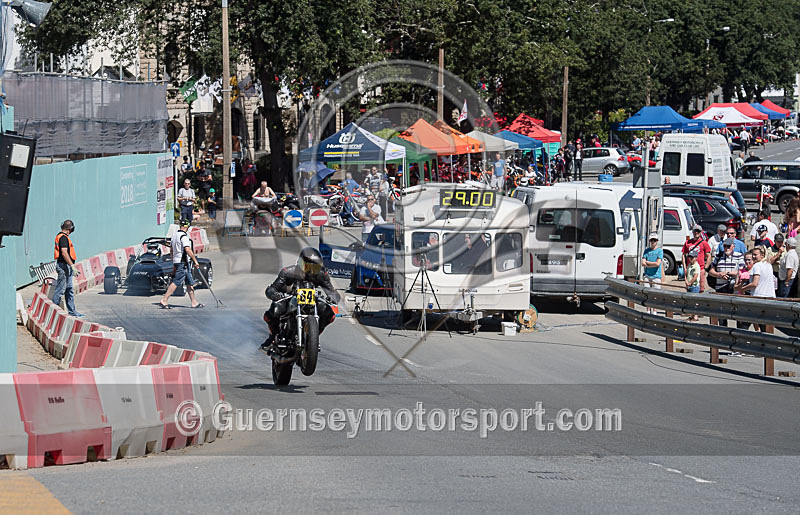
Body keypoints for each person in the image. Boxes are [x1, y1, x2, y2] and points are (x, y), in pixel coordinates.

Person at [260, 247, 340, 352]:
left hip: (312, 301)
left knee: (329, 314)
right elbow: (272, 288)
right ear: (300, 263)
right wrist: (275, 294)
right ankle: (273, 337)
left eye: (314, 268)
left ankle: (313, 337)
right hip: (290, 299)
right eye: (307, 267)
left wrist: (332, 298)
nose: (310, 271)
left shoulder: (321, 275)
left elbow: (333, 292)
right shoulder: (287, 272)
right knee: (276, 309)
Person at [159, 218, 204, 309]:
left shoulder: (174, 236)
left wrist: (174, 261)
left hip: (178, 262)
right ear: (187, 227)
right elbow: (188, 250)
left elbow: (171, 250)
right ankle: (164, 299)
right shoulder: (184, 237)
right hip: (182, 263)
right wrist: (195, 260)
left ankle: (194, 302)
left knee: (189, 282)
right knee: (176, 281)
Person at [52, 220, 83, 317]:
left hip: (66, 267)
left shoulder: (62, 237)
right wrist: (72, 266)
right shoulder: (63, 238)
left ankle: (72, 311)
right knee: (60, 290)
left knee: (69, 290)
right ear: (71, 229)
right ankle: (53, 312)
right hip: (63, 266)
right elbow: (64, 252)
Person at [709, 238, 743, 326]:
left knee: (737, 313)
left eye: (728, 246)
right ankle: (723, 334)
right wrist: (719, 274)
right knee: (722, 313)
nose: (726, 248)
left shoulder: (739, 256)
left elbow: (742, 272)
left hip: (734, 288)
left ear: (733, 246)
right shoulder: (718, 256)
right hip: (720, 288)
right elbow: (710, 271)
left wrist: (728, 273)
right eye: (724, 246)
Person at [682, 225, 711, 292]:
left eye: (698, 231)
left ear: (701, 232)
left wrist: (705, 268)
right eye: (695, 231)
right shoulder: (688, 242)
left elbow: (709, 255)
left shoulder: (704, 243)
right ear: (693, 232)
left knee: (700, 288)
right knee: (689, 287)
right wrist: (685, 267)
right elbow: (683, 254)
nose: (696, 232)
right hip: (690, 268)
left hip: (700, 268)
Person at [685, 249, 701, 319]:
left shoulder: (696, 266)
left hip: (694, 286)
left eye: (692, 257)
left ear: (696, 258)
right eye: (690, 257)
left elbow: (695, 276)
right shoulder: (689, 265)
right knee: (690, 301)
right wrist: (686, 281)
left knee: (695, 301)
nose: (690, 258)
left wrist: (690, 282)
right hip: (689, 286)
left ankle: (696, 315)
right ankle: (692, 315)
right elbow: (686, 274)